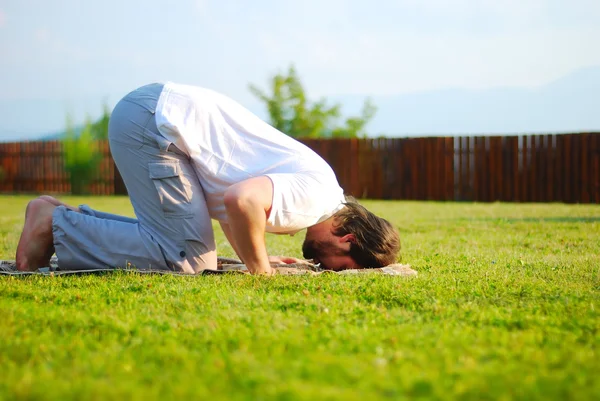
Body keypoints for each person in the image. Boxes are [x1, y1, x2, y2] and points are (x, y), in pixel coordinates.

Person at [16, 82, 400, 275]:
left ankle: (55, 215)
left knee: (195, 255)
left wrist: (261, 256)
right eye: (341, 268)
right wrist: (260, 272)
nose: (326, 269)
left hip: (152, 114)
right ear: (347, 239)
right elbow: (242, 201)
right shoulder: (315, 199)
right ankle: (52, 224)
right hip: (155, 124)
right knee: (185, 261)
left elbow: (238, 210)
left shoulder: (321, 191)